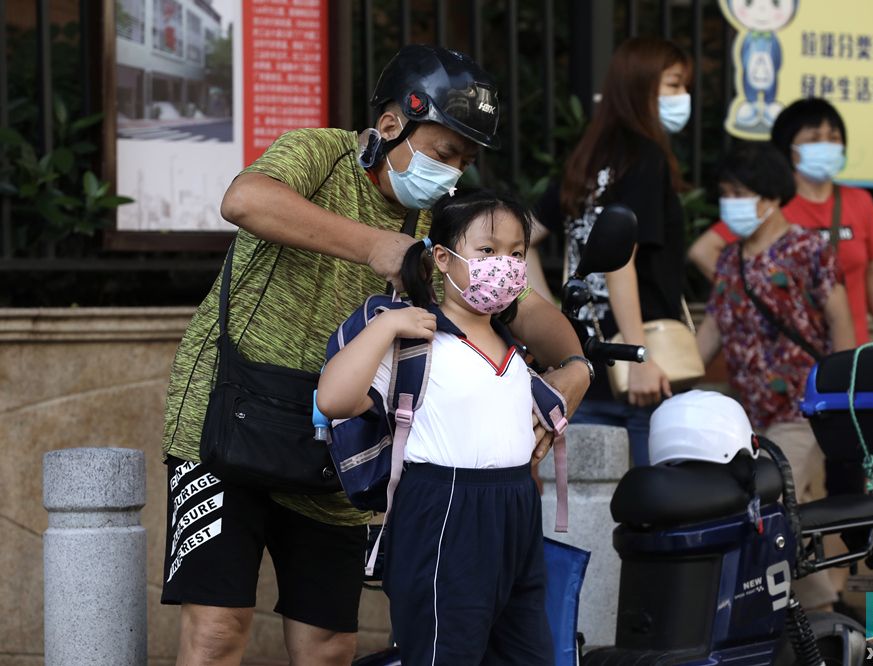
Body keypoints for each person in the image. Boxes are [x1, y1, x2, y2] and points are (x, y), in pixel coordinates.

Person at [160, 45, 591, 666]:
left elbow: (521, 308)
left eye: (465, 161)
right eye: (443, 153)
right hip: (227, 421)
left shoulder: (440, 224)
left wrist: (575, 370)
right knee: (218, 630)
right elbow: (245, 200)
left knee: (329, 643)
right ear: (392, 125)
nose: (452, 173)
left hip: (343, 435)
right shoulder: (321, 152)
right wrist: (375, 247)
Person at [318, 189, 553, 665]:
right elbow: (333, 398)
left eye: (515, 253)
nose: (503, 265)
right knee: (445, 653)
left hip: (515, 511)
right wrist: (385, 327)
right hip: (444, 507)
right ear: (443, 259)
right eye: (487, 251)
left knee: (525, 652)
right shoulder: (417, 338)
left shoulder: (512, 346)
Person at [695, 142, 854, 611]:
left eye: (739, 191)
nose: (731, 202)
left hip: (803, 411)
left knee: (771, 502)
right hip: (746, 419)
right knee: (774, 511)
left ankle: (823, 612)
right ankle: (808, 616)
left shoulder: (809, 250)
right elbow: (710, 335)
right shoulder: (730, 260)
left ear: (768, 195)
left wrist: (839, 398)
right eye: (725, 192)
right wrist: (660, 373)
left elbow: (840, 321)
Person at [530, 37, 692, 466]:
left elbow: (520, 239)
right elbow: (622, 262)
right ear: (642, 85)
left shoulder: (588, 159)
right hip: (639, 371)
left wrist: (552, 318)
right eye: (674, 84)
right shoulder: (645, 157)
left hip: (583, 366)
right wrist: (637, 357)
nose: (683, 98)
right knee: (645, 510)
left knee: (586, 515)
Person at [688, 97, 873, 345]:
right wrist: (753, 294)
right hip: (789, 349)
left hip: (852, 352)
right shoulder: (771, 206)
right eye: (813, 139)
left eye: (833, 137)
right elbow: (702, 251)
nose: (826, 145)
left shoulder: (860, 201)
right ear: (788, 147)